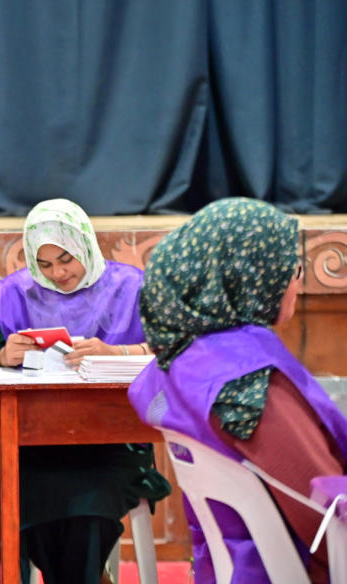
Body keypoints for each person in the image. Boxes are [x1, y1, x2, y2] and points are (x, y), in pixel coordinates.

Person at [129, 197, 347, 584]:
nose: (296, 282)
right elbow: (326, 516)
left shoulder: (183, 358)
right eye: (289, 269)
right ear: (249, 276)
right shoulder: (248, 387)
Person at [0, 198, 171, 584]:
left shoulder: (131, 287)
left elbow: (172, 354)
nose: (57, 273)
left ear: (85, 244)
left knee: (86, 507)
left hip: (115, 444)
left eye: (66, 259)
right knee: (21, 501)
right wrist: (5, 354)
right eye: (45, 264)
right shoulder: (16, 294)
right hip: (38, 443)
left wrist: (115, 352)